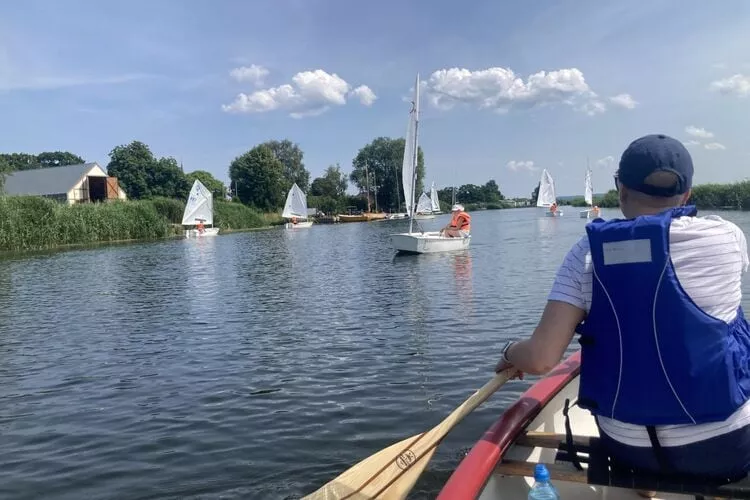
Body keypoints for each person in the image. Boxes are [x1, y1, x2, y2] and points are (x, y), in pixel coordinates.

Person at [495, 134, 750, 485]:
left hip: (630, 450)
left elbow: (540, 359)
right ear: (688, 194)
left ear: (620, 189)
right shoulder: (726, 237)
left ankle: (645, 491)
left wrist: (510, 351)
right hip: (726, 447)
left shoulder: (584, 253)